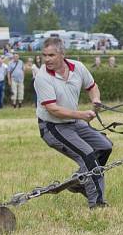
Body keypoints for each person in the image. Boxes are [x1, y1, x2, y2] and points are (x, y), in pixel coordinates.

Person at [34, 37, 112, 209]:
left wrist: (96, 100)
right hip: (52, 127)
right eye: (44, 55)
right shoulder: (42, 77)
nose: (46, 59)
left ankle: (79, 182)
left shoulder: (78, 67)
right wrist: (82, 114)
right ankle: (97, 203)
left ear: (62, 54)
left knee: (105, 146)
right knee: (88, 155)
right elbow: (53, 110)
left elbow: (92, 86)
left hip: (74, 122)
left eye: (51, 55)